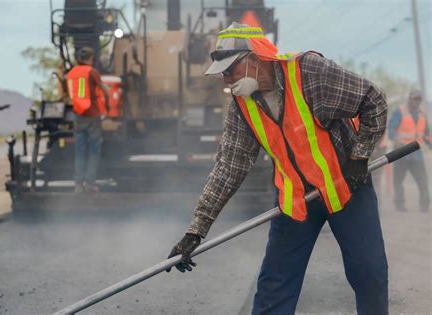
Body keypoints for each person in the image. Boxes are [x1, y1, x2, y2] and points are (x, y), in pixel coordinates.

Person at [166, 23, 389, 314]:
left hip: (347, 188)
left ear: (256, 59)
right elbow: (228, 168)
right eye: (221, 71)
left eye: (230, 69)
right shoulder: (242, 106)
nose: (225, 77)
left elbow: (374, 100)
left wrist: (359, 158)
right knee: (276, 285)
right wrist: (195, 232)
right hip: (296, 201)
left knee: (368, 272)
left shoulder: (310, 73)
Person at [66, 47, 109, 193]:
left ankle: (78, 184)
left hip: (78, 115)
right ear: (91, 58)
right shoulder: (92, 72)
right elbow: (105, 90)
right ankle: (90, 183)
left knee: (79, 150)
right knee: (94, 150)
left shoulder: (71, 73)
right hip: (92, 116)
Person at [388, 89, 431, 212]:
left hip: (416, 154)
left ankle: (425, 205)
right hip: (401, 152)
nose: (417, 101)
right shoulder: (400, 111)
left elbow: (426, 133)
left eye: (419, 99)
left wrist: (430, 144)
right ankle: (400, 205)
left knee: (422, 180)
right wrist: (394, 137)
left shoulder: (422, 114)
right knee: (398, 180)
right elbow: (391, 127)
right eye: (414, 99)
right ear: (409, 99)